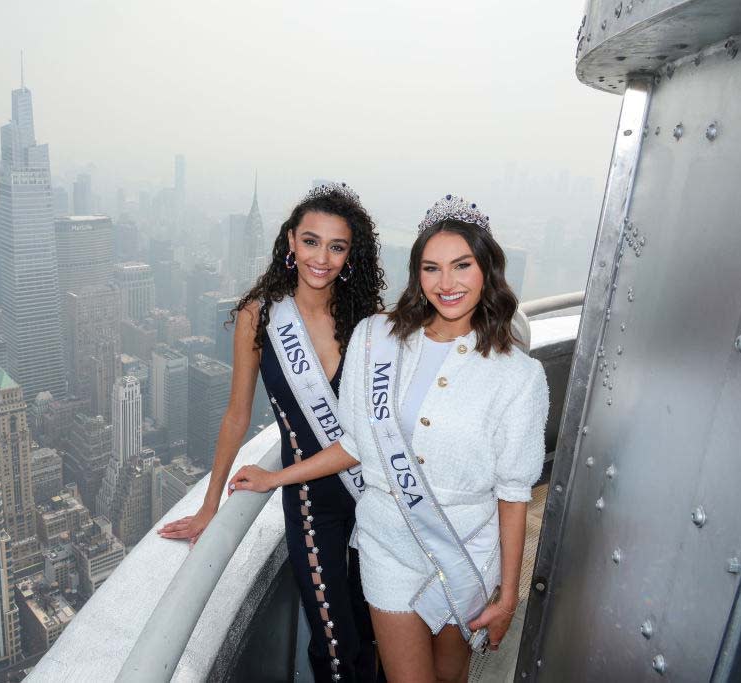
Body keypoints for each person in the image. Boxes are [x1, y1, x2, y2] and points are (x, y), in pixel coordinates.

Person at [229, 195, 549, 683]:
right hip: (388, 548)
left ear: (486, 270)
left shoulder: (520, 377)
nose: (447, 283)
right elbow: (356, 442)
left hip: (465, 550)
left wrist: (507, 595)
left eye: (462, 266)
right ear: (417, 275)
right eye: (431, 268)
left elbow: (513, 492)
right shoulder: (379, 339)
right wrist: (276, 479)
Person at [159, 182, 386, 682]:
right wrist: (210, 505)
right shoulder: (259, 315)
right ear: (290, 242)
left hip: (375, 496)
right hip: (310, 503)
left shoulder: (366, 320)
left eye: (336, 246)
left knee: (376, 633)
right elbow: (237, 415)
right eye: (310, 241)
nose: (321, 257)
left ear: (351, 255)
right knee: (335, 648)